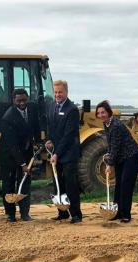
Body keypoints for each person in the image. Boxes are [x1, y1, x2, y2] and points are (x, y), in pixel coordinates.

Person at [0, 89, 41, 222]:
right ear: (13, 101)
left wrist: (38, 142)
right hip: (9, 155)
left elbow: (36, 127)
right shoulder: (8, 118)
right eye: (19, 101)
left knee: (25, 183)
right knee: (9, 184)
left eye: (24, 100)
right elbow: (12, 144)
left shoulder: (32, 110)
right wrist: (22, 164)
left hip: (26, 151)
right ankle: (10, 214)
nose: (22, 103)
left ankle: (24, 213)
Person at [96, 100, 138, 223]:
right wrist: (108, 154)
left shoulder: (116, 125)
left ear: (108, 112)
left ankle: (126, 214)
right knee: (119, 184)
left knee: (126, 184)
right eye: (98, 113)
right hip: (121, 156)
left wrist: (109, 164)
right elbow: (111, 144)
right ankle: (117, 212)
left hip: (131, 155)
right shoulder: (106, 123)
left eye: (103, 112)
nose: (100, 115)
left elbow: (115, 146)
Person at [45, 80, 82, 224]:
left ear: (66, 92)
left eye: (60, 92)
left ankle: (76, 214)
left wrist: (57, 153)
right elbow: (50, 126)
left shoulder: (72, 109)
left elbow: (68, 135)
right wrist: (48, 140)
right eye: (55, 92)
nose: (57, 95)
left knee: (70, 183)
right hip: (56, 151)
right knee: (57, 183)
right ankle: (62, 212)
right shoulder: (52, 106)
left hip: (68, 153)